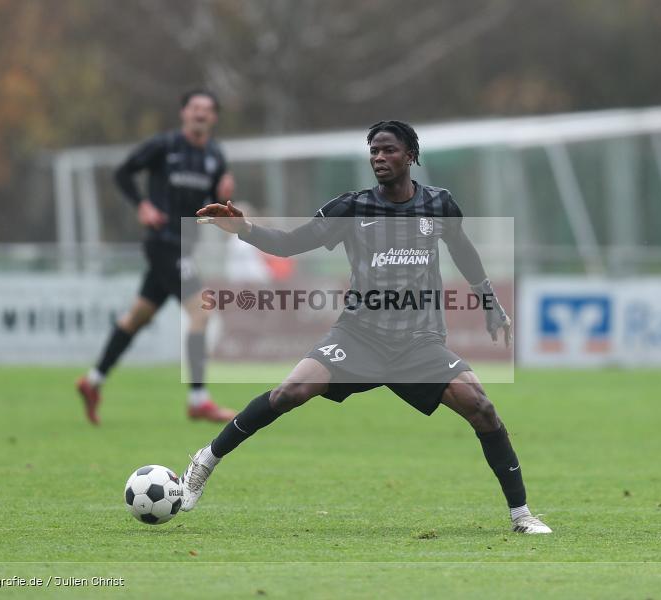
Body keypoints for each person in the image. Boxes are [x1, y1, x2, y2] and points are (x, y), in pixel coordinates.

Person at [182, 120, 552, 534]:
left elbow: (463, 249)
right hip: (359, 336)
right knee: (291, 392)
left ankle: (522, 516)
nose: (379, 157)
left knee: (482, 408)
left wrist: (489, 301)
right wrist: (243, 229)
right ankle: (205, 461)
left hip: (419, 343)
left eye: (389, 150)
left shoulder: (439, 205)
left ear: (410, 156)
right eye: (373, 150)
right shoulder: (351, 208)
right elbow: (289, 244)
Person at [76, 89, 237, 424]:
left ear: (214, 118)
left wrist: (221, 199)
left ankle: (92, 382)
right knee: (201, 312)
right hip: (163, 242)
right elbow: (122, 173)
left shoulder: (215, 157)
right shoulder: (163, 146)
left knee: (138, 317)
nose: (200, 114)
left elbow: (207, 208)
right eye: (195, 108)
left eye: (207, 110)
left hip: (184, 245)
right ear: (183, 113)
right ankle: (198, 400)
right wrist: (142, 205)